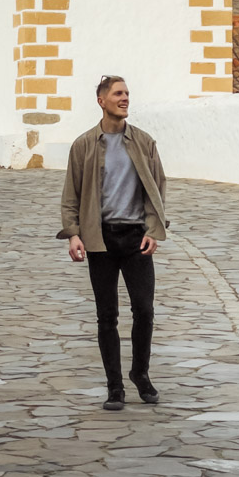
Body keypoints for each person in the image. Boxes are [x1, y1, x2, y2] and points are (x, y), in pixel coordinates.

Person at [58, 75, 168, 411]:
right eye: (118, 94)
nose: (125, 99)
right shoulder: (84, 145)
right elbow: (70, 195)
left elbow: (158, 188)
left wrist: (154, 229)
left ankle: (140, 373)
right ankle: (115, 387)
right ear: (101, 100)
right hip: (100, 238)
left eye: (127, 94)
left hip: (136, 237)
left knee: (144, 311)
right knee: (107, 315)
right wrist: (74, 233)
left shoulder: (144, 143)